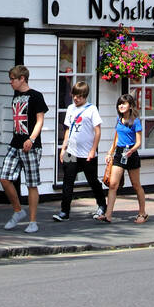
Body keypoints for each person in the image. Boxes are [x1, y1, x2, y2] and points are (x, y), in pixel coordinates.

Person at [0, 65, 47, 234]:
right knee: (5, 178)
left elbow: (40, 120)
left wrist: (32, 139)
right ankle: (18, 211)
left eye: (13, 79)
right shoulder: (16, 95)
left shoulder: (36, 96)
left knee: (31, 183)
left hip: (31, 145)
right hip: (15, 142)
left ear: (22, 79)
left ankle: (33, 221)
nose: (11, 82)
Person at [52, 81, 106, 222]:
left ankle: (102, 205)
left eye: (80, 96)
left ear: (85, 96)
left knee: (92, 180)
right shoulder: (70, 108)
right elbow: (68, 130)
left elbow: (98, 131)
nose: (76, 99)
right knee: (67, 181)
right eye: (74, 95)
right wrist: (63, 148)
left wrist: (93, 150)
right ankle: (64, 211)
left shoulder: (92, 109)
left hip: (87, 153)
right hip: (72, 151)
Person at [97, 93, 147, 223]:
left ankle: (142, 213)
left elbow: (139, 142)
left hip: (131, 153)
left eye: (124, 103)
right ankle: (108, 214)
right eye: (119, 104)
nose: (121, 106)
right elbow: (117, 137)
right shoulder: (119, 120)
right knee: (113, 184)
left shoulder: (135, 121)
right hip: (120, 153)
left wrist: (131, 150)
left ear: (130, 106)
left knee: (136, 185)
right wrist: (110, 152)